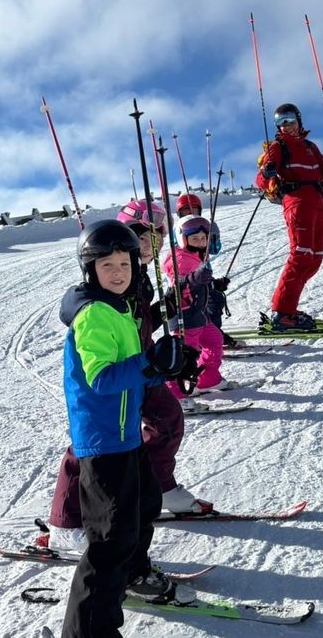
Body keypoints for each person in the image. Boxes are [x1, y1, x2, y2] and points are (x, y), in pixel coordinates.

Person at [59, 220, 197, 638]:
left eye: (125, 263)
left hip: (126, 435)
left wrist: (166, 365)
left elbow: (135, 373)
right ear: (90, 271)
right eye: (107, 265)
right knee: (110, 540)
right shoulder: (95, 315)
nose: (118, 272)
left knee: (144, 506)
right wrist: (148, 364)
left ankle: (134, 573)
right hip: (103, 443)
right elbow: (101, 377)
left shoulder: (120, 308)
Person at [45, 203, 209, 554]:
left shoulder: (139, 276)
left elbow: (140, 321)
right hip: (124, 370)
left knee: (166, 419)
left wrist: (170, 344)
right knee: (89, 447)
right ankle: (66, 522)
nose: (149, 246)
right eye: (141, 237)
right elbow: (91, 315)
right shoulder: (107, 286)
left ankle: (155, 486)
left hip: (141, 369)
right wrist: (151, 360)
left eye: (156, 238)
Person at [255, 103, 323, 331]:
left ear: (299, 120)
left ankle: (288, 310)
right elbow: (261, 180)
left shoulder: (310, 147)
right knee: (300, 256)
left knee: (314, 259)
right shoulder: (278, 147)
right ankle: (283, 313)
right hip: (297, 203)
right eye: (281, 122)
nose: (287, 126)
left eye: (290, 120)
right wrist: (266, 173)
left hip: (318, 205)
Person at [163, 215, 230, 397]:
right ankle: (174, 393)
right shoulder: (179, 259)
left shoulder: (196, 256)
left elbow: (200, 283)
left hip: (198, 316)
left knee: (214, 340)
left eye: (203, 238)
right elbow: (178, 283)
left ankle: (208, 379)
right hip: (184, 316)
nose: (200, 242)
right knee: (183, 355)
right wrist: (193, 279)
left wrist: (215, 284)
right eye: (195, 238)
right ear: (182, 239)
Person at [175, 194, 238, 349]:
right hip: (188, 277)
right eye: (185, 211)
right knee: (204, 303)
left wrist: (213, 234)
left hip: (203, 273)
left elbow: (215, 249)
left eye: (194, 209)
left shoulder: (205, 226)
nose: (190, 213)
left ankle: (213, 332)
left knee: (216, 299)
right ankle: (203, 336)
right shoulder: (179, 228)